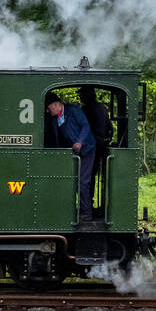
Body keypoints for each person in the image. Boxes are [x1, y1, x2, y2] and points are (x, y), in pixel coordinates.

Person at [46, 93, 97, 222]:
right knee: (73, 180)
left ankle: (87, 213)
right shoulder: (54, 118)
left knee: (83, 181)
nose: (48, 111)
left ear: (56, 105)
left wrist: (80, 141)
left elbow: (86, 126)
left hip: (87, 149)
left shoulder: (74, 110)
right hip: (74, 151)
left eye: (49, 108)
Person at [79, 87, 113, 186]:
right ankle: (90, 199)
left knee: (86, 174)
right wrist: (106, 141)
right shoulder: (102, 108)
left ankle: (88, 199)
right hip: (101, 144)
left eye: (81, 96)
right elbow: (110, 128)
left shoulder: (85, 109)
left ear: (87, 96)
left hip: (89, 146)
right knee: (92, 173)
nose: (80, 98)